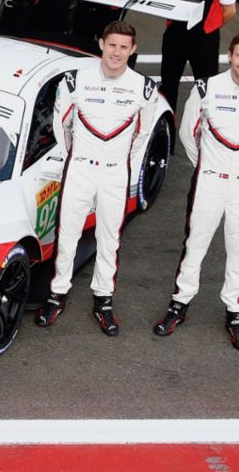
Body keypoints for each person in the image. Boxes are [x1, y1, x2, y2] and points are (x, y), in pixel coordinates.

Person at [155, 31, 239, 350]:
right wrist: (210, 167)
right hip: (209, 180)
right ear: (229, 55)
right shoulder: (206, 88)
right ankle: (179, 305)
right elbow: (189, 137)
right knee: (195, 245)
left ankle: (235, 313)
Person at [36, 20, 155, 337]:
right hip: (80, 167)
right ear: (101, 44)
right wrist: (75, 156)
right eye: (112, 44)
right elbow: (60, 125)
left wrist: (121, 162)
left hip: (116, 171)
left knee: (110, 239)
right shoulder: (75, 80)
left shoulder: (144, 88)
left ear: (133, 50)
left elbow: (142, 134)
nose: (116, 52)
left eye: (123, 47)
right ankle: (57, 294)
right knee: (68, 234)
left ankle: (103, 300)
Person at [156, 0, 237, 114]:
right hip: (174, 37)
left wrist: (209, 27)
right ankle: (167, 123)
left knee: (206, 84)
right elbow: (160, 3)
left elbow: (230, 10)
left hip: (205, 40)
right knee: (168, 82)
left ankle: (203, 123)